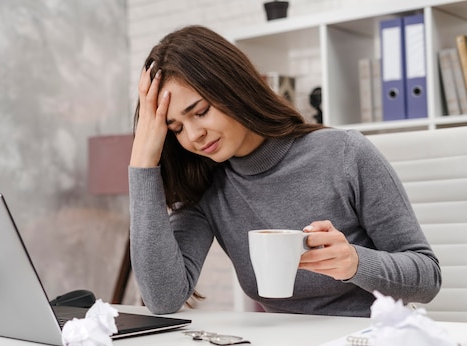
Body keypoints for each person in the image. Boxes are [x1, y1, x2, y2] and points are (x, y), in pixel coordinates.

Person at [128, 25, 441, 317]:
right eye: (176, 128)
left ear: (232, 88)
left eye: (200, 112)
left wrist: (355, 263)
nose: (193, 135)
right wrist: (143, 160)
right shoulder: (206, 186)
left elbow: (427, 277)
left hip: (375, 345)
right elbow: (163, 298)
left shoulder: (344, 153)